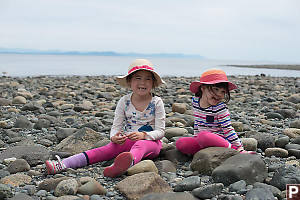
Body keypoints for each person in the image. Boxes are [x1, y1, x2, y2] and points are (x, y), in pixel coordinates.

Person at [45, 59, 166, 177]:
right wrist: (114, 137)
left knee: (140, 145)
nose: (143, 83)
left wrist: (144, 136)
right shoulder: (124, 102)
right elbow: (116, 126)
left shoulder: (156, 102)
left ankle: (125, 164)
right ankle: (63, 164)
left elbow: (160, 132)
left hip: (151, 143)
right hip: (128, 141)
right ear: (129, 81)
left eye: (148, 79)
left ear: (153, 83)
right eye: (138, 78)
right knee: (104, 150)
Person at [176, 69, 255, 155]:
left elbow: (228, 129)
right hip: (203, 141)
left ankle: (233, 150)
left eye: (223, 92)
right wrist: (196, 137)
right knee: (180, 143)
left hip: (219, 141)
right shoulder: (195, 102)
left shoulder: (220, 108)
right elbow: (197, 122)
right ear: (203, 88)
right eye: (215, 89)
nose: (219, 94)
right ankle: (204, 153)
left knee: (204, 136)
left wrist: (240, 148)